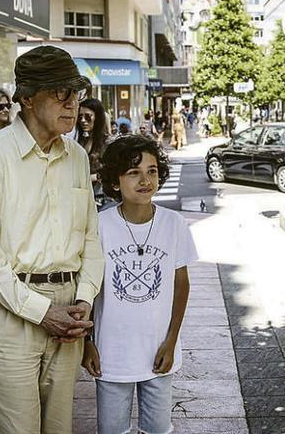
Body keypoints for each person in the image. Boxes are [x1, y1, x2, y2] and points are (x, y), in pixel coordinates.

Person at [0, 45, 104, 434]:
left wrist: (85, 299)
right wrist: (41, 312)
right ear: (27, 97)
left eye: (76, 93)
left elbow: (91, 237)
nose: (72, 104)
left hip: (69, 310)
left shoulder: (76, 156)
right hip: (9, 314)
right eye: (61, 93)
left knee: (59, 427)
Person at [81, 135, 197, 434]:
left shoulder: (173, 224)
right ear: (115, 182)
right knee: (112, 429)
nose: (145, 180)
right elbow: (89, 288)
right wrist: (87, 342)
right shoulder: (100, 225)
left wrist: (171, 341)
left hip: (159, 351)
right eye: (134, 172)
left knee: (158, 429)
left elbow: (181, 286)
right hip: (112, 354)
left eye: (152, 171)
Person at [77, 98, 109, 208]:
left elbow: (114, 171)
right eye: (80, 116)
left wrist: (93, 177)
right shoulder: (79, 142)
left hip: (102, 199)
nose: (83, 120)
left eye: (88, 116)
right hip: (82, 199)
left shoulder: (107, 142)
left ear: (97, 117)